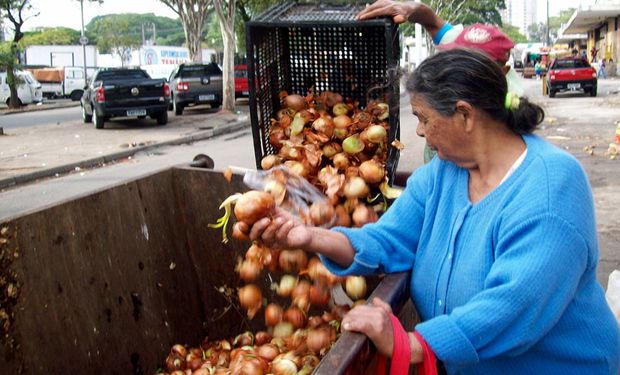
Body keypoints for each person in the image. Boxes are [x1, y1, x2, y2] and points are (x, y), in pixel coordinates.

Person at [241, 49, 620, 374]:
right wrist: (308, 236)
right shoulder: (445, 173)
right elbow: (389, 238)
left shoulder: (551, 189)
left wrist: (413, 344)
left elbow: (513, 305)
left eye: (423, 118)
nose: (419, 132)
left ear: (465, 115)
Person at [356, 0, 522, 163]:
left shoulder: (509, 110)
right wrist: (416, 9)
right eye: (454, 59)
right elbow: (434, 23)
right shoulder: (454, 57)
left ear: (502, 71)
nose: (456, 68)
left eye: (469, 66)